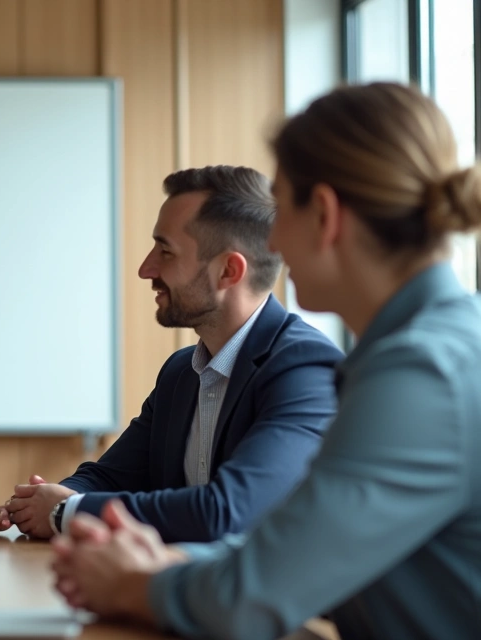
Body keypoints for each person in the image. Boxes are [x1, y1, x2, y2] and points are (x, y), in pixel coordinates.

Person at [51, 82, 481, 640]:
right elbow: (299, 546)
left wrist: (132, 584)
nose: (271, 239)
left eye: (282, 205)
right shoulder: (435, 349)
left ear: (323, 213)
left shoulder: (419, 374)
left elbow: (253, 597)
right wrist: (169, 567)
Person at [0, 166, 342, 543]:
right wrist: (43, 499)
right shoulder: (180, 372)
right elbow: (111, 476)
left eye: (166, 251)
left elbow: (225, 513)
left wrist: (66, 512)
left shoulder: (304, 367)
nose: (146, 269)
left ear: (228, 271)